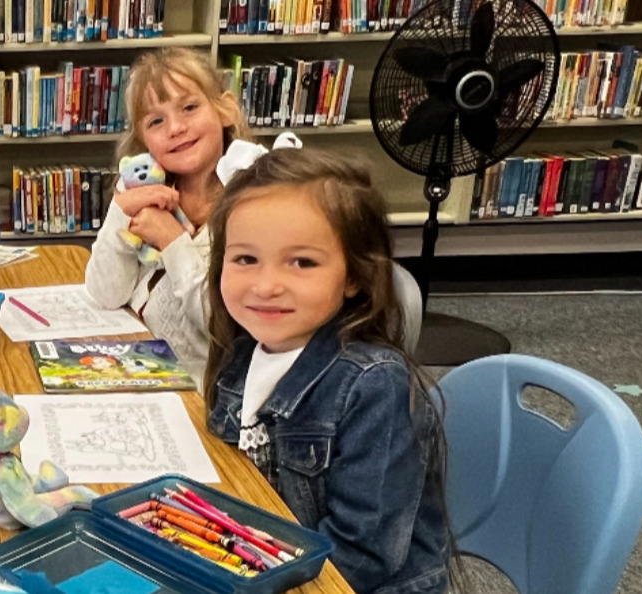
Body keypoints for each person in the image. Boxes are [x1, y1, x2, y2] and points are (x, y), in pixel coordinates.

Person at [203, 147, 452, 594]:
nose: (266, 285)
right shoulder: (243, 352)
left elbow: (362, 556)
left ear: (354, 275)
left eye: (302, 262)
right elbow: (234, 481)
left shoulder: (374, 386)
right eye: (245, 259)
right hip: (268, 561)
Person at [84, 47, 254, 386]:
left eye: (189, 108)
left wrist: (173, 241)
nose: (175, 128)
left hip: (205, 396)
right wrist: (121, 211)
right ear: (143, 140)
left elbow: (223, 326)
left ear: (225, 109)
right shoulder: (148, 181)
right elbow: (106, 294)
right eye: (156, 121)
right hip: (138, 369)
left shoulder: (255, 204)